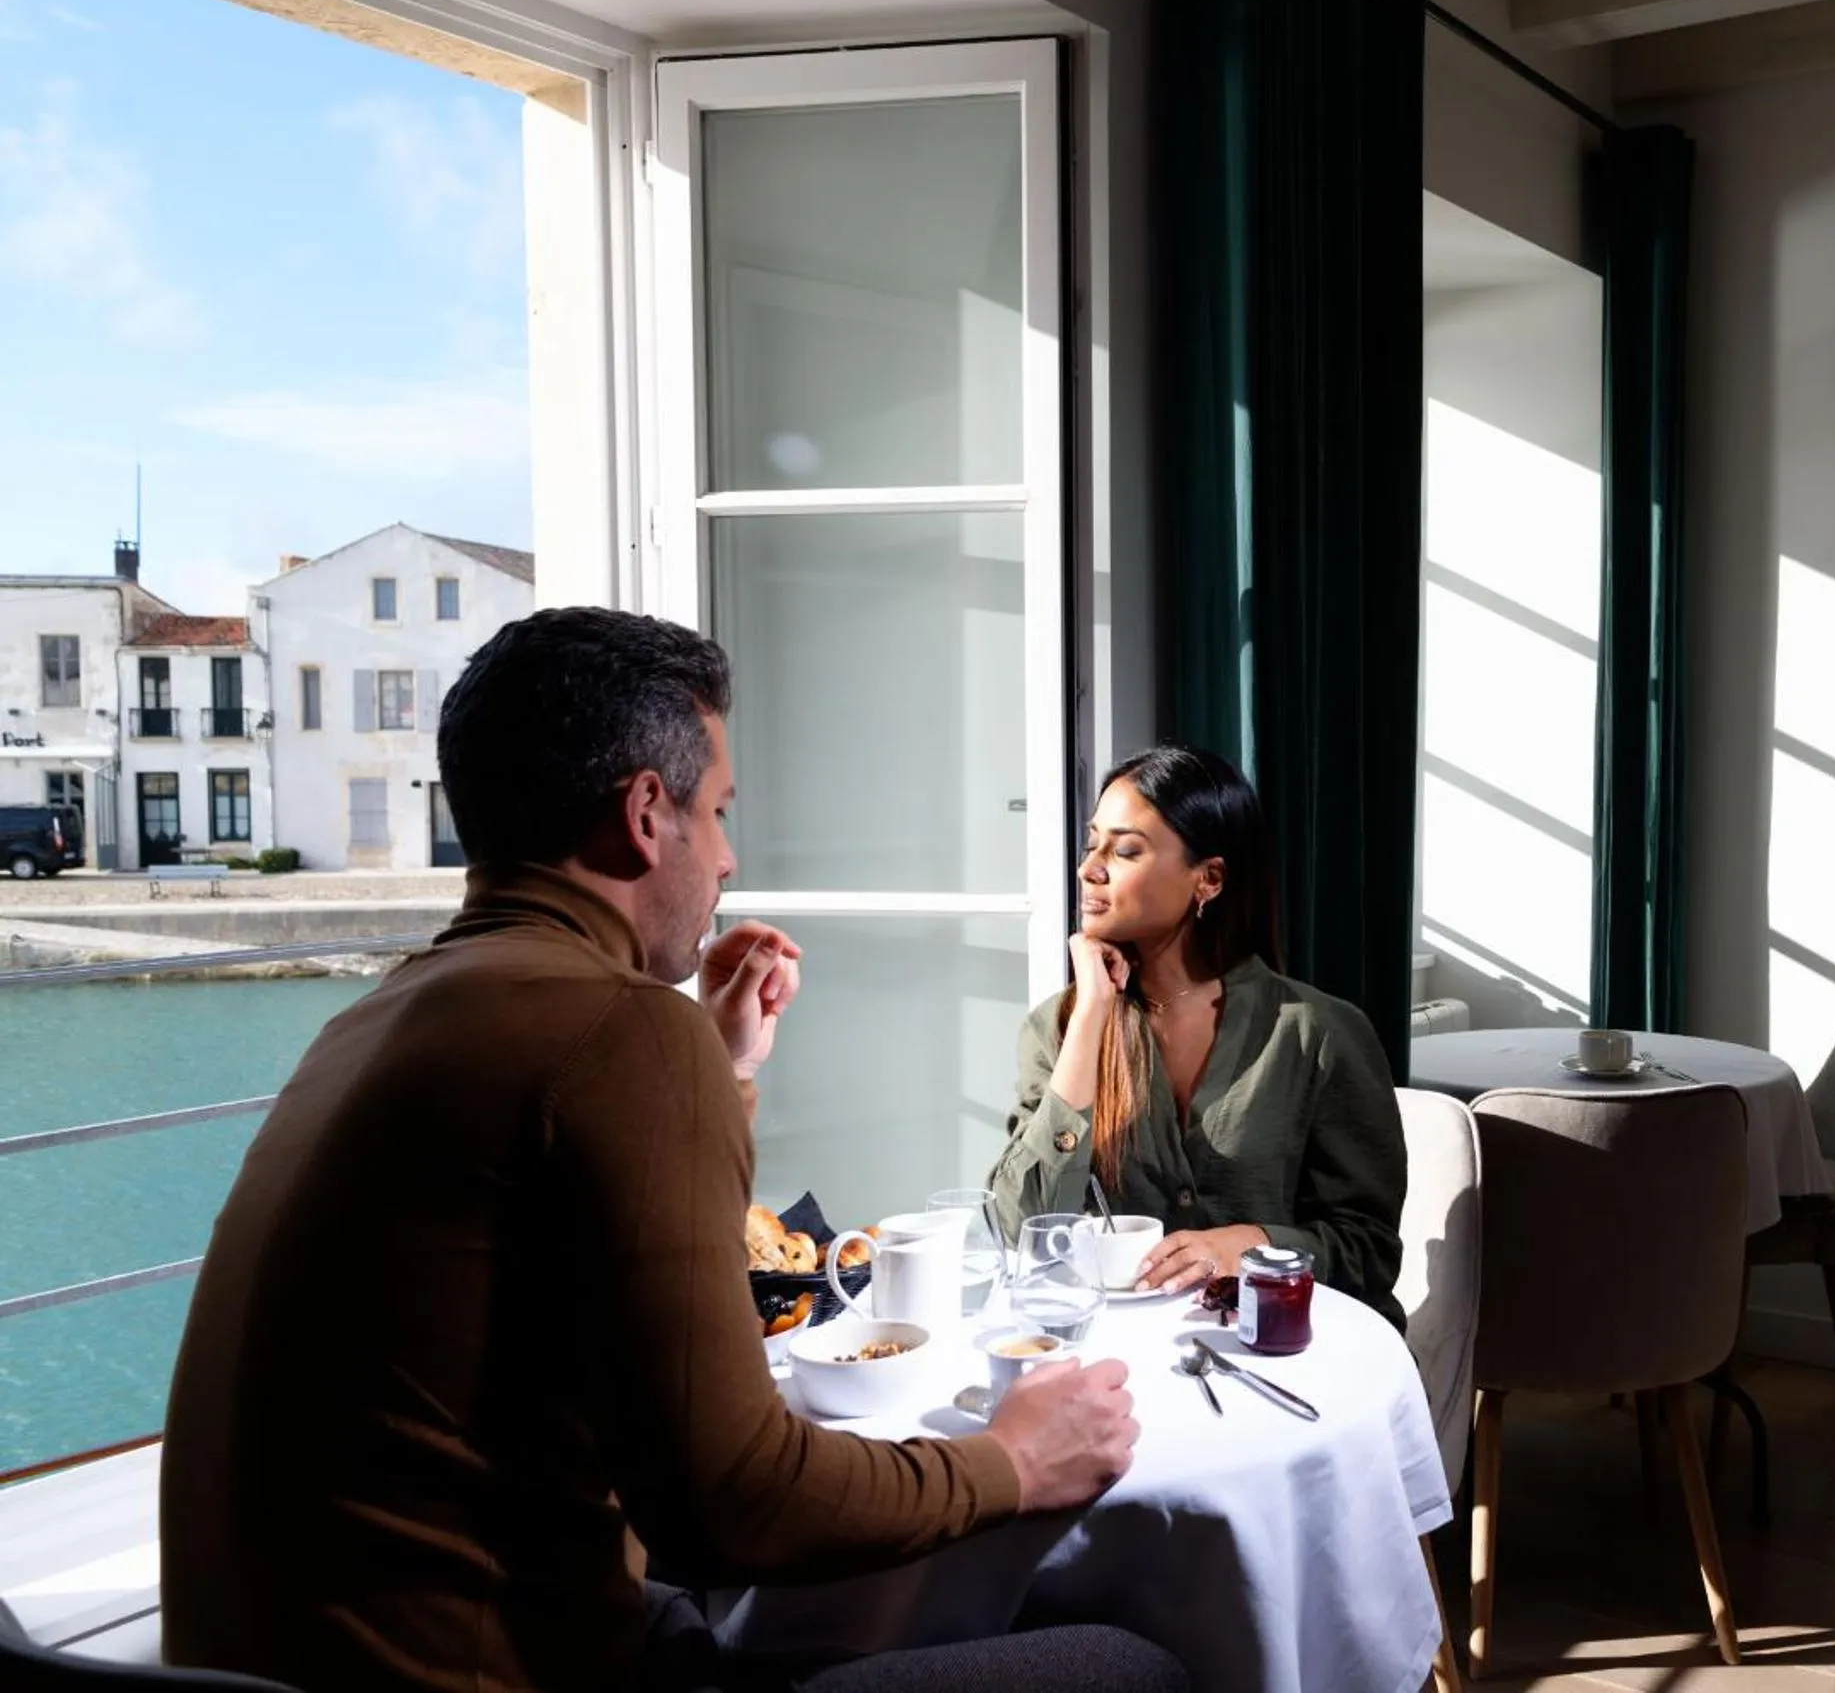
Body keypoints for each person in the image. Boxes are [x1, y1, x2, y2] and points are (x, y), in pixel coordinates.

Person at [159, 608, 1171, 1693]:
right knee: (1122, 1666)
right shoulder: (624, 1030)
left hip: (263, 1669)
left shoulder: (375, 1019)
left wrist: (716, 1068)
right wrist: (1010, 1460)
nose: (728, 858)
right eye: (717, 811)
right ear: (646, 813)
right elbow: (736, 1503)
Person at [990, 746, 1407, 1321]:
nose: (1090, 869)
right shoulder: (1058, 1030)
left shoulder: (1317, 1034)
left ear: (1208, 878)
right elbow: (1020, 1231)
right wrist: (1089, 1017)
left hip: (1286, 1347)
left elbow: (1371, 1250)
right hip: (1131, 1351)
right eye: (1091, 845)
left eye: (1125, 850)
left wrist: (1251, 1246)